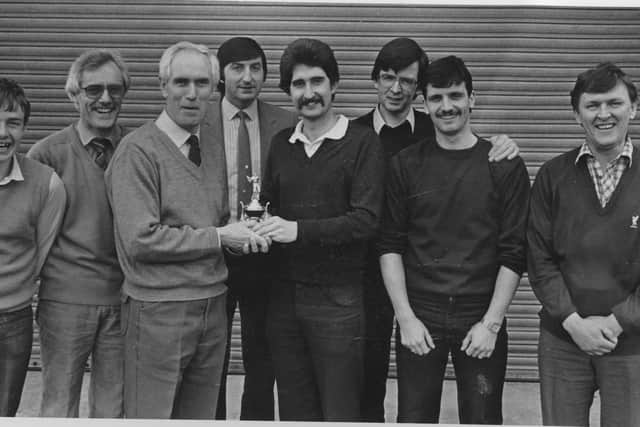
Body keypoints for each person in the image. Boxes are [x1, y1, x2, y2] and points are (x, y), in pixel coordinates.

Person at [353, 37, 520, 422]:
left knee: (482, 416)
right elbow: (390, 243)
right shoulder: (406, 165)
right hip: (421, 313)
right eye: (437, 98)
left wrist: (491, 323)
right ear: (424, 103)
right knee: (413, 416)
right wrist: (407, 319)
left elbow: (514, 250)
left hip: (480, 314)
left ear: (472, 99)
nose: (447, 106)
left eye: (456, 95)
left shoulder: (502, 164)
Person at [105, 41, 268, 419]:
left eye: (201, 83)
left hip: (212, 305)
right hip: (159, 309)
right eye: (181, 82)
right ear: (163, 86)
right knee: (152, 415)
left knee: (200, 416)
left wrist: (244, 234)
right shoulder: (137, 151)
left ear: (216, 89)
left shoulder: (209, 147)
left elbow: (214, 222)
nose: (191, 94)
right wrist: (220, 237)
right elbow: (140, 239)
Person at [252, 38, 385, 421]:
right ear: (288, 91)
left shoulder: (362, 143)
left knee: (340, 409)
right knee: (295, 409)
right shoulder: (282, 144)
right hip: (284, 302)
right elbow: (269, 208)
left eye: (317, 81)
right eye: (298, 84)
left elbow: (366, 220)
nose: (308, 93)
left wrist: (297, 231)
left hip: (338, 302)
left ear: (335, 85)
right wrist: (255, 230)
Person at [527, 62, 640, 426]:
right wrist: (574, 322)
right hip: (563, 340)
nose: (603, 114)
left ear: (633, 109)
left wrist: (621, 320)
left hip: (632, 345)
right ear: (577, 114)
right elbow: (538, 258)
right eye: (592, 105)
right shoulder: (552, 176)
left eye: (614, 103)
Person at [27, 48, 130, 418]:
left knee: (113, 411)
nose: (106, 99)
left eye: (115, 90)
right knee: (58, 407)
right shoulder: (46, 156)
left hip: (124, 303)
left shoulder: (137, 151)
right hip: (64, 304)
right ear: (74, 95)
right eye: (94, 90)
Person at [206, 37, 297, 421]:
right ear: (221, 76)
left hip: (266, 257)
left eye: (256, 68)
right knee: (212, 358)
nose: (247, 77)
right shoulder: (199, 119)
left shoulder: (285, 122)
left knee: (263, 359)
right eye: (237, 68)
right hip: (214, 254)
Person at [0, 77, 66, 416]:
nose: (3, 133)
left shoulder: (46, 183)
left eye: (13, 123)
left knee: (4, 413)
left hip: (13, 321)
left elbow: (41, 252)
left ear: (24, 128)